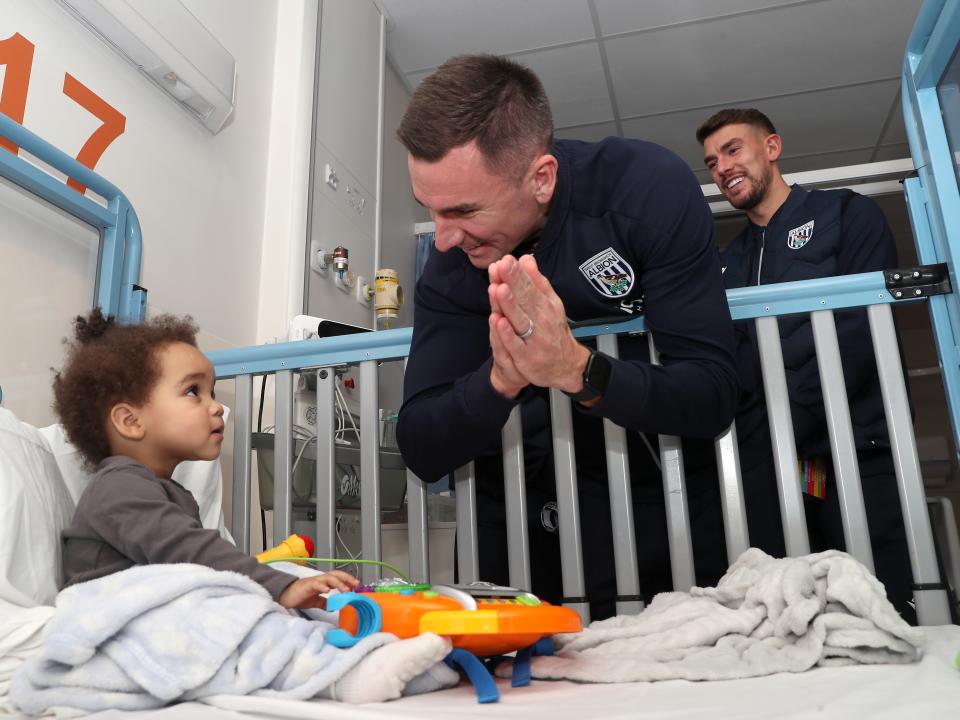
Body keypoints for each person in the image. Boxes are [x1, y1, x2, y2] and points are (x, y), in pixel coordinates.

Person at [395, 54, 739, 620]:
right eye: (429, 211)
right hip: (512, 534)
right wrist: (500, 379)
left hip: (656, 513)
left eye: (462, 210)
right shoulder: (451, 266)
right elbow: (422, 446)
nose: (444, 239)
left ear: (542, 177)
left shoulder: (643, 188)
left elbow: (711, 394)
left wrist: (579, 370)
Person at [696, 107, 917, 621]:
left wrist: (793, 419)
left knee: (880, 601)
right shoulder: (726, 263)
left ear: (771, 148)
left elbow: (863, 329)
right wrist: (763, 436)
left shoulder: (847, 214)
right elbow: (732, 363)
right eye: (711, 161)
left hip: (859, 448)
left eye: (733, 149)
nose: (723, 167)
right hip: (774, 469)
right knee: (788, 613)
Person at [54, 308, 358, 609]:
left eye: (211, 392)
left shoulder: (171, 493)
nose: (215, 407)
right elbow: (193, 552)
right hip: (111, 622)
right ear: (131, 422)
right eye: (192, 391)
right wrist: (280, 586)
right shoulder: (117, 488)